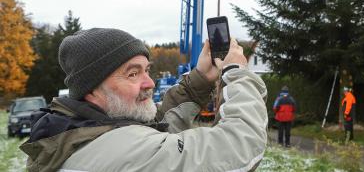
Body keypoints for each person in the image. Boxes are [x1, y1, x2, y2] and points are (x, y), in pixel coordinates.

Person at [20, 28, 268, 172]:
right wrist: (236, 72)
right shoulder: (118, 153)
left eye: (146, 70)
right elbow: (240, 146)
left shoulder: (75, 132)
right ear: (91, 89)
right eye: (133, 73)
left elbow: (150, 129)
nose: (149, 82)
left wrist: (199, 80)